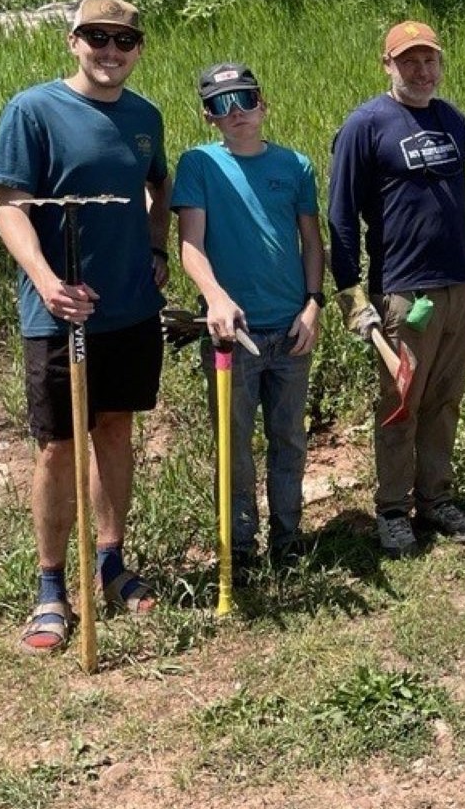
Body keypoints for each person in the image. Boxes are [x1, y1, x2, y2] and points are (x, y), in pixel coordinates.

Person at [0, 0, 170, 655]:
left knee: (115, 428)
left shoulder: (145, 117)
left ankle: (111, 561)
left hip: (129, 310)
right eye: (97, 37)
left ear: (138, 47)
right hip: (58, 315)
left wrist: (155, 248)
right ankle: (50, 586)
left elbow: (158, 186)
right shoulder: (33, 110)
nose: (110, 50)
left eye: (123, 39)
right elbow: (8, 207)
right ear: (73, 41)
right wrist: (47, 282)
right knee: (58, 446)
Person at [327, 20, 465, 558]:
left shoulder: (446, 118)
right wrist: (352, 298)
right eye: (409, 61)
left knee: (443, 399)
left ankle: (435, 499)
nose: (421, 71)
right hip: (401, 293)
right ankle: (393, 509)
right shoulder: (365, 125)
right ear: (387, 65)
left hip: (455, 286)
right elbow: (341, 217)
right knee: (401, 404)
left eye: (429, 61)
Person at [172, 62, 325, 571]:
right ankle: (238, 547)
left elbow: (310, 241)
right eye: (221, 104)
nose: (235, 113)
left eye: (244, 100)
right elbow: (190, 244)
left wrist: (313, 304)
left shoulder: (296, 166)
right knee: (233, 447)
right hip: (230, 336)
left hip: (290, 330)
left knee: (289, 439)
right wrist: (214, 296)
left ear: (264, 104)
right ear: (208, 116)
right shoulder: (199, 165)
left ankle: (288, 539)